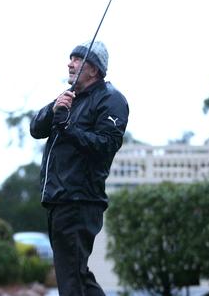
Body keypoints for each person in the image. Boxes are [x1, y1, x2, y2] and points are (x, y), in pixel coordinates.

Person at [30, 40, 129, 296]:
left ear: (94, 69)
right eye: (71, 58)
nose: (69, 63)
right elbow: (35, 129)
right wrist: (54, 111)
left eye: (77, 59)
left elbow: (107, 145)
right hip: (58, 199)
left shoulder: (111, 100)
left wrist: (68, 129)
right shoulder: (68, 98)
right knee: (76, 276)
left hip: (79, 199)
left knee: (72, 280)